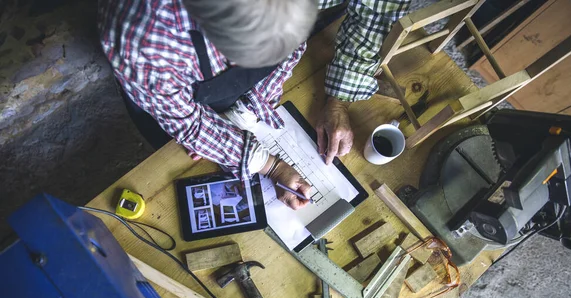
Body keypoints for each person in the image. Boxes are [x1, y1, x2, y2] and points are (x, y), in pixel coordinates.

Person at [98, 0, 410, 210]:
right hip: (176, 96)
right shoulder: (144, 38)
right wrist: (269, 164)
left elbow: (377, 9)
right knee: (173, 159)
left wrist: (337, 96)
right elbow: (187, 123)